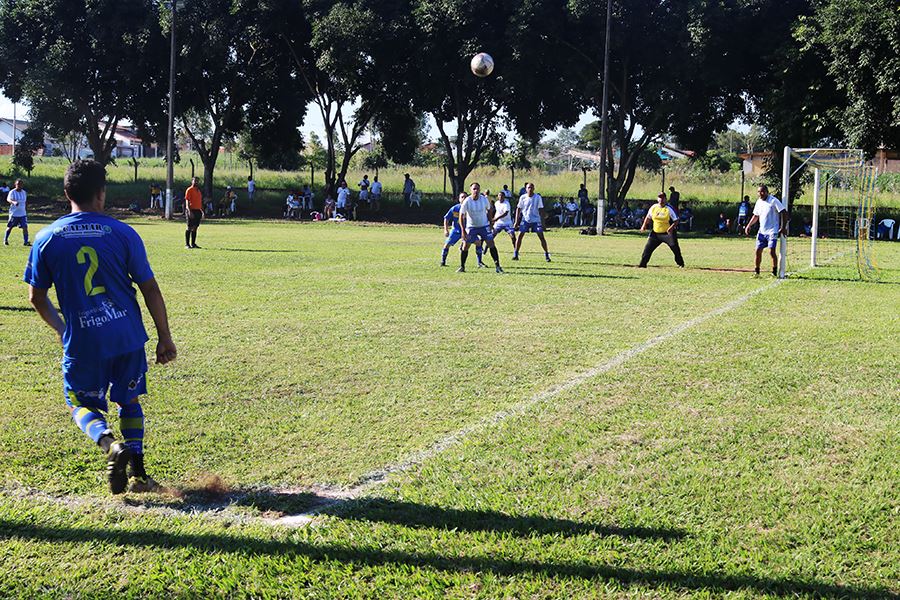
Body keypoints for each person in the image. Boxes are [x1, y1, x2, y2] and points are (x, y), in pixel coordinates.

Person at [24, 159, 177, 495]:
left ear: (66, 193)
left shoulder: (47, 237)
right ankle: (139, 474)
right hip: (127, 336)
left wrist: (64, 331)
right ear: (101, 194)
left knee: (81, 404)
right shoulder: (123, 233)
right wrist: (164, 337)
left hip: (84, 341)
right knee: (130, 401)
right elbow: (150, 288)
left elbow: (37, 297)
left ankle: (110, 445)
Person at [458, 182, 503, 273]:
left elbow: (489, 210)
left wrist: (490, 223)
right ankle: (462, 267)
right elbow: (461, 216)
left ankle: (498, 266)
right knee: (465, 246)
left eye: (478, 189)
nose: (476, 191)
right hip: (471, 227)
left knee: (491, 244)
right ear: (470, 190)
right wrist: (463, 230)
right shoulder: (467, 201)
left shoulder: (484, 199)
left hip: (484, 226)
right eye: (474, 189)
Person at [744, 184, 787, 277]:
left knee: (771, 251)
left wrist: (783, 227)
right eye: (759, 192)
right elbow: (756, 215)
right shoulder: (759, 202)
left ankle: (774, 272)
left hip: (772, 231)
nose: (761, 193)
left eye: (762, 191)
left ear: (767, 192)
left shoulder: (773, 201)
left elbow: (783, 212)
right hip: (762, 232)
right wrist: (749, 225)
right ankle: (757, 272)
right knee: (758, 251)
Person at [638, 192, 684, 268]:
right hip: (655, 233)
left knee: (675, 248)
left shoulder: (669, 208)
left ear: (666, 199)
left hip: (667, 234)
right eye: (660, 197)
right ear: (657, 199)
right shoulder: (654, 207)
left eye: (663, 198)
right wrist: (643, 226)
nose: (661, 199)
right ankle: (642, 265)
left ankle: (680, 263)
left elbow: (676, 220)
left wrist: (671, 228)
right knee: (647, 249)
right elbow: (648, 217)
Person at [441, 193, 483, 267]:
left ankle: (479, 262)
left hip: (468, 231)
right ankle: (443, 262)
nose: (464, 198)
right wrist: (446, 230)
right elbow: (446, 218)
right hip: (456, 231)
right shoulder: (455, 208)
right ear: (459, 199)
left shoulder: (471, 208)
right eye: (462, 197)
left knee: (478, 243)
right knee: (446, 245)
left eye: (465, 197)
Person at [513, 182, 551, 262]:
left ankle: (547, 254)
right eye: (528, 188)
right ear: (526, 189)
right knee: (520, 236)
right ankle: (515, 254)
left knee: (541, 237)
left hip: (536, 220)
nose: (530, 189)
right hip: (525, 220)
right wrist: (516, 221)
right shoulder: (523, 197)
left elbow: (541, 210)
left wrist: (543, 223)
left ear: (534, 189)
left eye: (531, 187)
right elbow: (518, 209)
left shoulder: (537, 197)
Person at [5, 179, 30, 246]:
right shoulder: (12, 192)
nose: (19, 185)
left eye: (21, 184)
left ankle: (26, 242)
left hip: (22, 214)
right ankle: (5, 240)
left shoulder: (24, 192)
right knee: (10, 227)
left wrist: (26, 209)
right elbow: (8, 199)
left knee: (25, 227)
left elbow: (25, 201)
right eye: (18, 184)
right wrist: (13, 202)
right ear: (15, 184)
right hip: (14, 214)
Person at [184, 176, 203, 249]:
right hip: (191, 210)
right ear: (192, 181)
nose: (196, 182)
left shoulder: (198, 191)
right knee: (189, 227)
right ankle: (187, 244)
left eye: (197, 181)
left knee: (195, 227)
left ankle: (193, 243)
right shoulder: (189, 190)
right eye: (195, 181)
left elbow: (199, 202)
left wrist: (202, 211)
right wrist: (189, 211)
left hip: (198, 210)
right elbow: (187, 201)